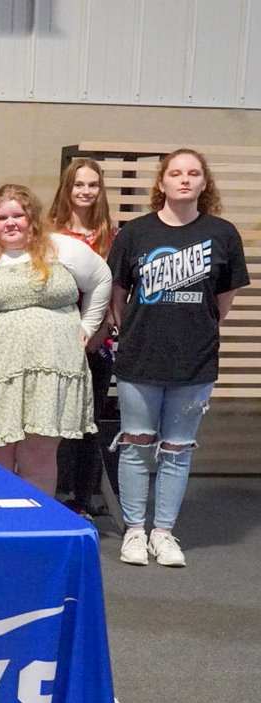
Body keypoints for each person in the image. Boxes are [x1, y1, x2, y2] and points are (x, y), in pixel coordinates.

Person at [109, 149, 249, 567]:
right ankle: (135, 531)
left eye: (193, 173)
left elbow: (221, 303)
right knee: (135, 444)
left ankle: (164, 532)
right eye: (175, 173)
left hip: (195, 361)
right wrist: (136, 332)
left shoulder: (223, 233)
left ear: (205, 183)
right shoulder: (135, 234)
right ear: (162, 182)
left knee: (177, 448)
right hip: (140, 357)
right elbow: (118, 297)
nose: (184, 179)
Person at [0, 184, 111, 493]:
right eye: (2, 217)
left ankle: (35, 521)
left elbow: (101, 278)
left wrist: (88, 326)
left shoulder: (61, 248)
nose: (10, 223)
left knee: (38, 456)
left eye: (19, 215)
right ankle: (1, 521)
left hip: (50, 373)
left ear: (33, 218)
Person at [47, 158, 117, 519]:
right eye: (79, 184)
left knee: (88, 424)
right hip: (54, 341)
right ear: (67, 189)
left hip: (96, 345)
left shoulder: (112, 237)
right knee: (53, 423)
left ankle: (82, 500)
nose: (86, 191)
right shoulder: (48, 233)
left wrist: (97, 334)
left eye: (93, 185)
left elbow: (115, 291)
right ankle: (52, 494)